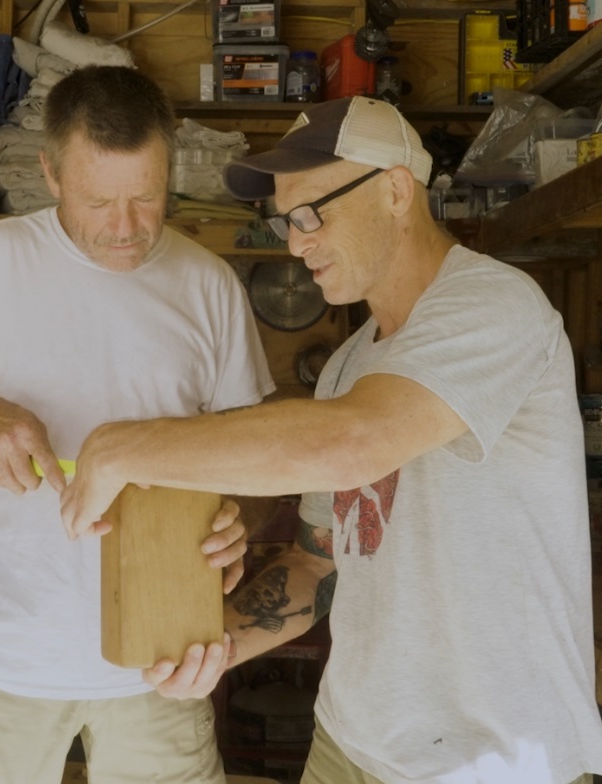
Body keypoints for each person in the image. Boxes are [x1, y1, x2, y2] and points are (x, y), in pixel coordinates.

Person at [60, 95, 602, 784]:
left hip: (492, 761)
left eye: (313, 213)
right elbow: (319, 563)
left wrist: (123, 447)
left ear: (397, 191)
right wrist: (218, 642)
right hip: (348, 744)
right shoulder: (348, 364)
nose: (295, 242)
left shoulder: (494, 306)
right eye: (287, 221)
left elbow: (357, 442)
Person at [0, 64, 276, 784]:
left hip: (165, 659)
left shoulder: (208, 282)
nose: (127, 228)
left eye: (147, 197)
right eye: (99, 201)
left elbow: (259, 456)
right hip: (3, 660)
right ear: (49, 174)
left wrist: (245, 515)